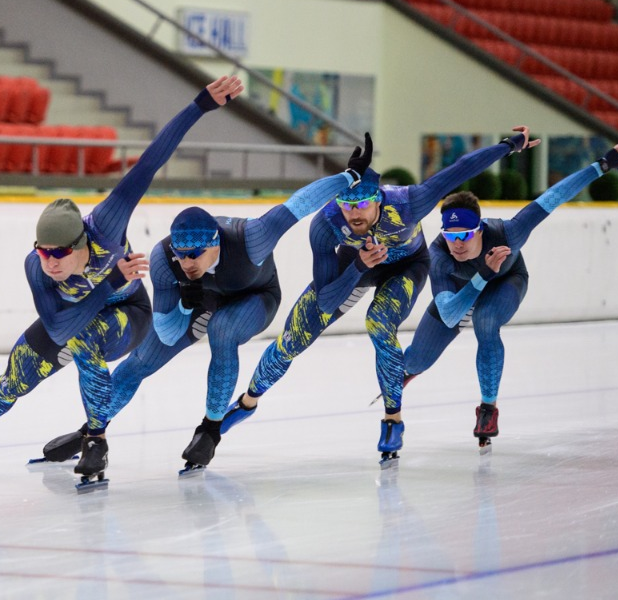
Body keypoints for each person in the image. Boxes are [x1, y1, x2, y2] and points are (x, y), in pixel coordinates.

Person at [0, 76, 246, 480]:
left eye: (59, 253)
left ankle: (95, 440)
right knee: (15, 377)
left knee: (87, 341)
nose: (50, 262)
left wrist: (200, 105)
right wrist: (107, 283)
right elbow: (58, 326)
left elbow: (151, 161)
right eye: (43, 251)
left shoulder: (107, 223)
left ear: (82, 242)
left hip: (128, 314)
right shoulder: (36, 267)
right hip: (81, 311)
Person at [189, 126, 541, 471]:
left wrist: (507, 147)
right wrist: (358, 266)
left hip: (406, 266)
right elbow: (326, 302)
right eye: (347, 204)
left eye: (362, 204)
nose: (354, 213)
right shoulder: (326, 224)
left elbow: (460, 169)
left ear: (378, 198)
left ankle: (392, 419)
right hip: (356, 265)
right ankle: (248, 402)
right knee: (292, 339)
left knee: (379, 323)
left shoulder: (409, 202)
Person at [36, 134, 375, 466]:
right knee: (140, 361)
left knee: (223, 331)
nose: (188, 263)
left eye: (196, 255)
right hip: (202, 302)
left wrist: (349, 176)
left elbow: (298, 205)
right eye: (182, 255)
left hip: (255, 296)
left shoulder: (252, 238)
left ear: (217, 244)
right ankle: (91, 433)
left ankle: (211, 429)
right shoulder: (163, 260)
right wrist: (186, 303)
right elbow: (167, 333)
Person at [401, 144, 618, 450]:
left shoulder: (509, 233)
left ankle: (488, 409)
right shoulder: (439, 255)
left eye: (464, 235)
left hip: (505, 282)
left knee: (485, 321)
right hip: (464, 291)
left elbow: (552, 197)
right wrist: (482, 272)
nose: (457, 243)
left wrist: (602, 165)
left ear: (480, 229)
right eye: (450, 235)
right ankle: (410, 370)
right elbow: (449, 315)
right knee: (416, 359)